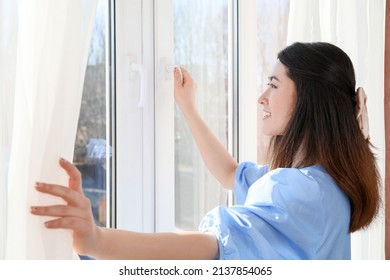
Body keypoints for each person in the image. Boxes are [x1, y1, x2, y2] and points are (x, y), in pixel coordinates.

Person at [30, 42, 380, 259]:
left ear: (310, 101)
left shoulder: (298, 191)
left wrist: (98, 240)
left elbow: (213, 247)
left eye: (273, 85)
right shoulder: (325, 182)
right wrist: (188, 108)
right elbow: (230, 173)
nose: (261, 97)